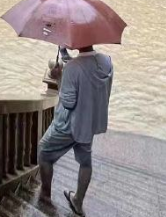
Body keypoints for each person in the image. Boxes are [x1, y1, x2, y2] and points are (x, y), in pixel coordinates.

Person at [38, 45, 113, 216]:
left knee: (43, 151)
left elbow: (68, 102)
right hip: (90, 122)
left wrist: (58, 79)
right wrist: (66, 56)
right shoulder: (107, 61)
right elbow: (87, 72)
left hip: (69, 125)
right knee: (85, 162)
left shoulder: (72, 69)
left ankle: (45, 194)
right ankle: (78, 201)